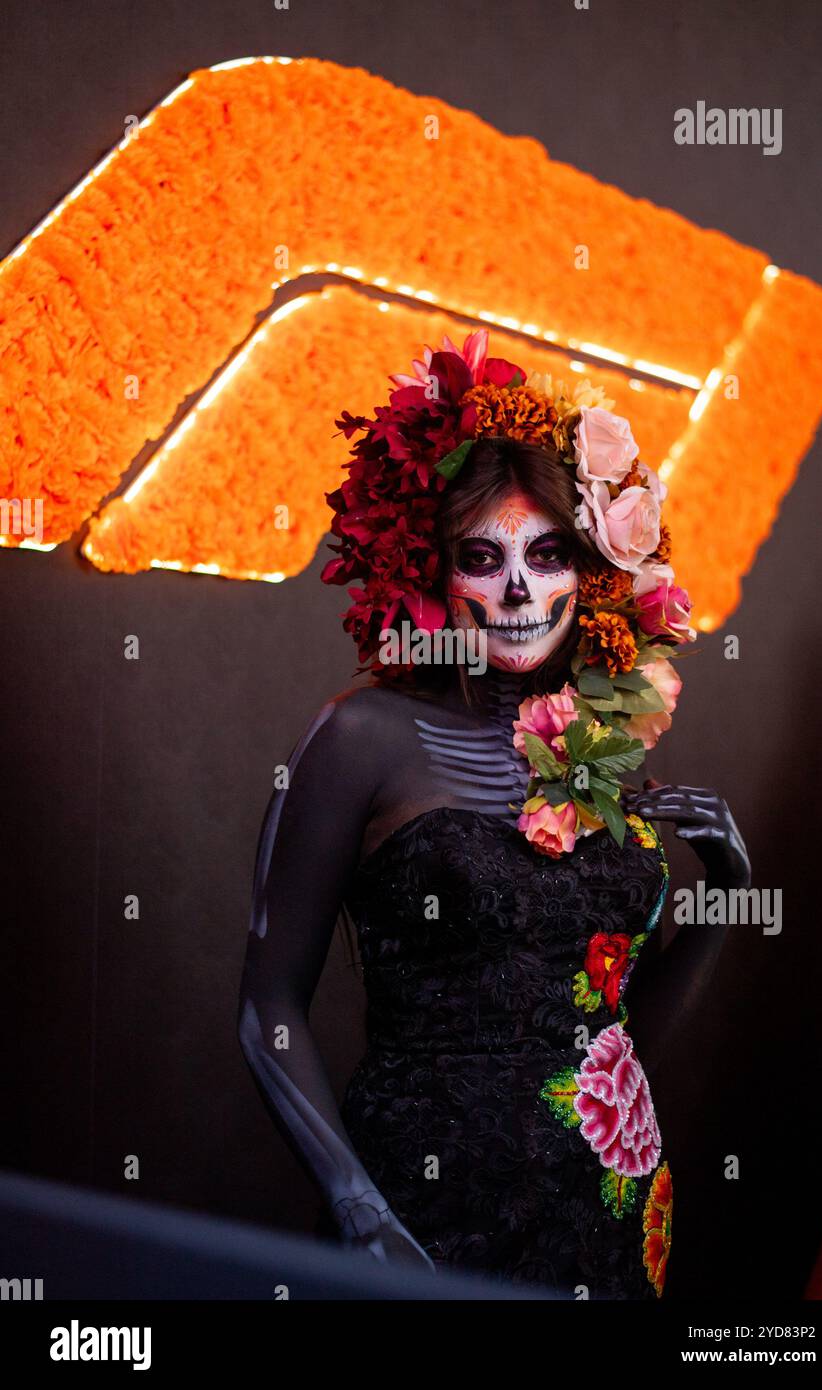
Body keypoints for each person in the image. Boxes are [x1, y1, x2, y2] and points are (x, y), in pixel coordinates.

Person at [237, 330, 750, 1298]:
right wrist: (358, 1209)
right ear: (431, 573)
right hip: (422, 1208)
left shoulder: (598, 741)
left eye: (546, 552)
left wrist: (726, 894)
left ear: (586, 567)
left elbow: (611, 1033)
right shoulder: (360, 737)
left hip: (608, 1200)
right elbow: (266, 1004)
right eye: (481, 556)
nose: (517, 588)